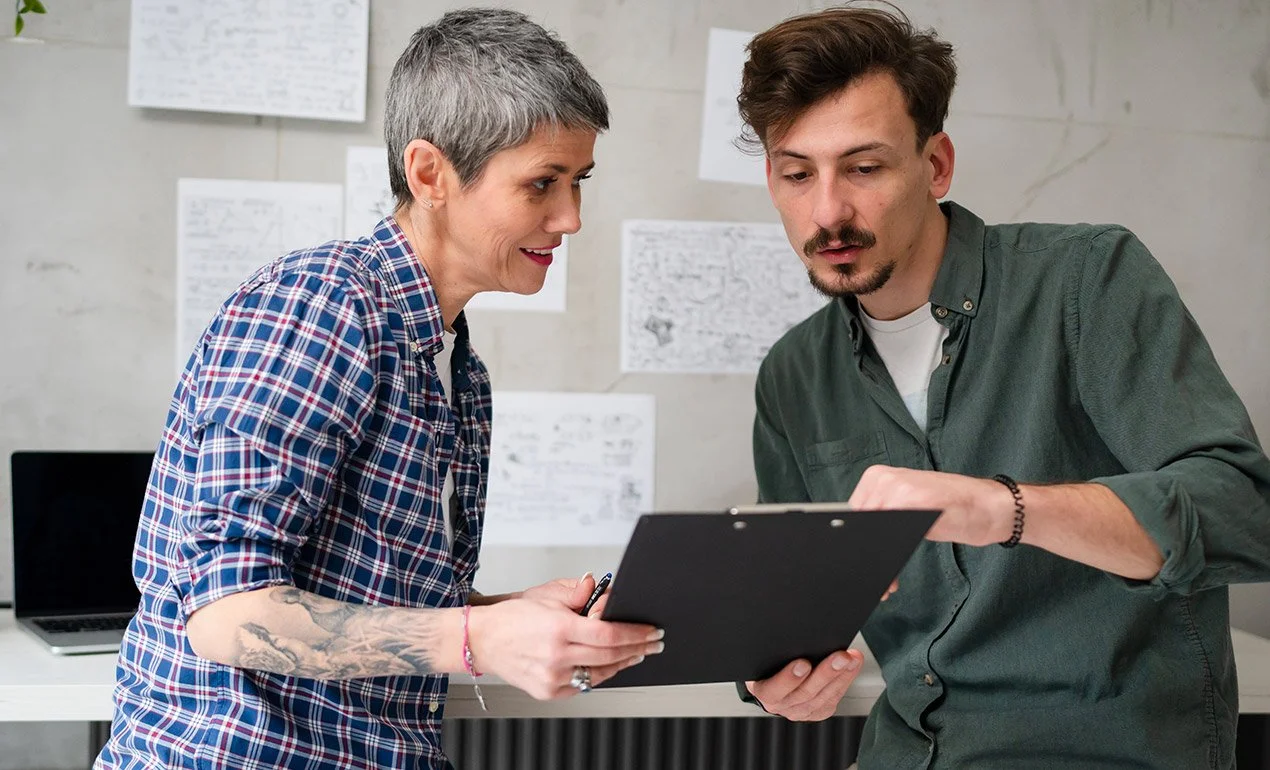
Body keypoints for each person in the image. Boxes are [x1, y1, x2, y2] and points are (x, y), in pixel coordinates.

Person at [95, 10, 663, 769]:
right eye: (542, 184)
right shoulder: (319, 306)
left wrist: (510, 616)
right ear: (430, 174)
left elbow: (377, 609)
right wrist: (476, 637)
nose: (571, 218)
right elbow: (226, 615)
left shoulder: (454, 366)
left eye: (578, 182)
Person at [734, 5, 1270, 768]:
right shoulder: (792, 373)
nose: (828, 212)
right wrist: (775, 678)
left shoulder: (1087, 280)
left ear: (937, 165)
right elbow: (795, 604)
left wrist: (1003, 509)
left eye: (864, 167)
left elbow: (1246, 511)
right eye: (797, 174)